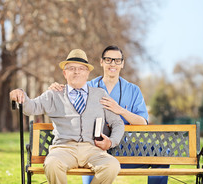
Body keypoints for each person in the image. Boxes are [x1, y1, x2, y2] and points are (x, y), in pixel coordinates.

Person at [49, 45, 169, 184]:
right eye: (108, 59)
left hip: (126, 148)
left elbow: (143, 121)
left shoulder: (133, 90)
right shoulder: (86, 87)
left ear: (122, 63)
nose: (113, 64)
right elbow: (67, 98)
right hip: (93, 148)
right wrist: (55, 89)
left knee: (161, 155)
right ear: (101, 62)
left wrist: (120, 110)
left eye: (117, 60)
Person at [9, 49, 124, 184]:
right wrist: (20, 93)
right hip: (63, 149)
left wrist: (111, 142)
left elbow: (117, 123)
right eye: (71, 68)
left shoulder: (100, 94)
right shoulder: (53, 94)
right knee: (52, 164)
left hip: (93, 150)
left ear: (87, 73)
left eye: (81, 68)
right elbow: (30, 108)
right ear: (65, 73)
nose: (76, 72)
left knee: (112, 166)